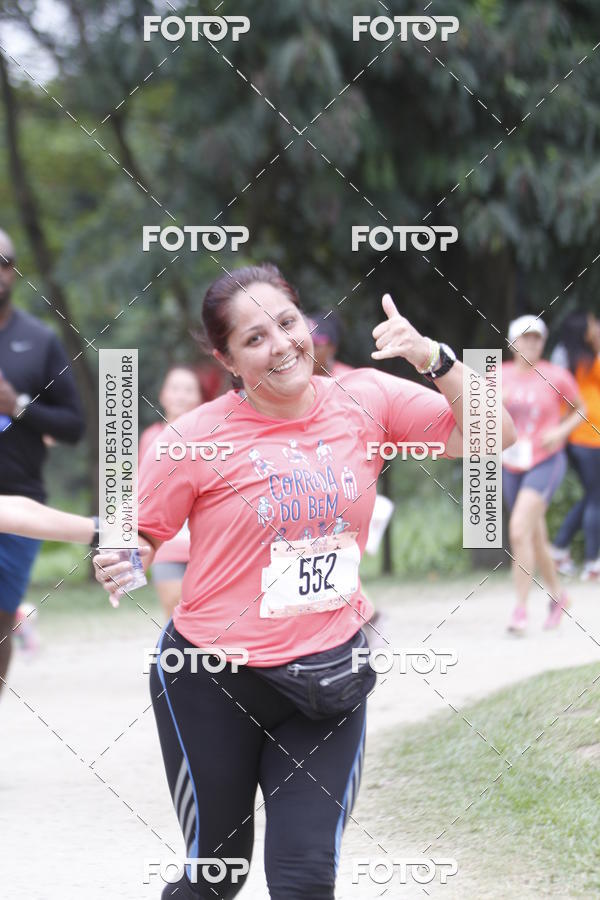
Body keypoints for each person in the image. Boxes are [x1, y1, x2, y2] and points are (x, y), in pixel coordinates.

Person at [93, 263, 515, 900]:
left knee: (305, 876)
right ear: (227, 359)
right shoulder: (194, 437)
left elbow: (495, 435)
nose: (282, 344)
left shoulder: (367, 398)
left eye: (287, 324)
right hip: (212, 679)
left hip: (328, 677)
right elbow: (142, 532)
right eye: (254, 338)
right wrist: (123, 554)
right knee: (217, 876)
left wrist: (434, 357)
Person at [0, 229, 85, 693]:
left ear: (13, 271)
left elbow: (73, 426)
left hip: (21, 505)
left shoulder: (39, 340)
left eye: (2, 260)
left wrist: (18, 406)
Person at [502, 315, 585, 634]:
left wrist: (560, 432)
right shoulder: (498, 375)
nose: (532, 343)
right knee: (534, 538)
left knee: (519, 529)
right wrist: (495, 404)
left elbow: (581, 408)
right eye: (526, 337)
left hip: (546, 461)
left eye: (537, 338)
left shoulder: (556, 375)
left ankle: (520, 610)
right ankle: (559, 596)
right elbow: (477, 413)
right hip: (512, 463)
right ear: (512, 342)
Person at [139, 366, 203, 618]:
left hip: (204, 541)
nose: (181, 396)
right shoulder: (150, 437)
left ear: (199, 398)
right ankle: (175, 657)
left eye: (188, 390)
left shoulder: (211, 438)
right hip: (165, 541)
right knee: (174, 610)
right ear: (163, 395)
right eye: (175, 389)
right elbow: (140, 490)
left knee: (204, 615)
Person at [550, 311, 600, 580]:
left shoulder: (566, 358)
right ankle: (593, 562)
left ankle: (558, 550)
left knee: (593, 495)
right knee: (596, 498)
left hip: (575, 436)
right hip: (590, 436)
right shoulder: (590, 360)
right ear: (584, 331)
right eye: (593, 324)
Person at [308, 311, 353, 378]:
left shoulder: (350, 378)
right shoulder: (297, 379)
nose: (308, 349)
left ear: (331, 348)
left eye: (315, 345)